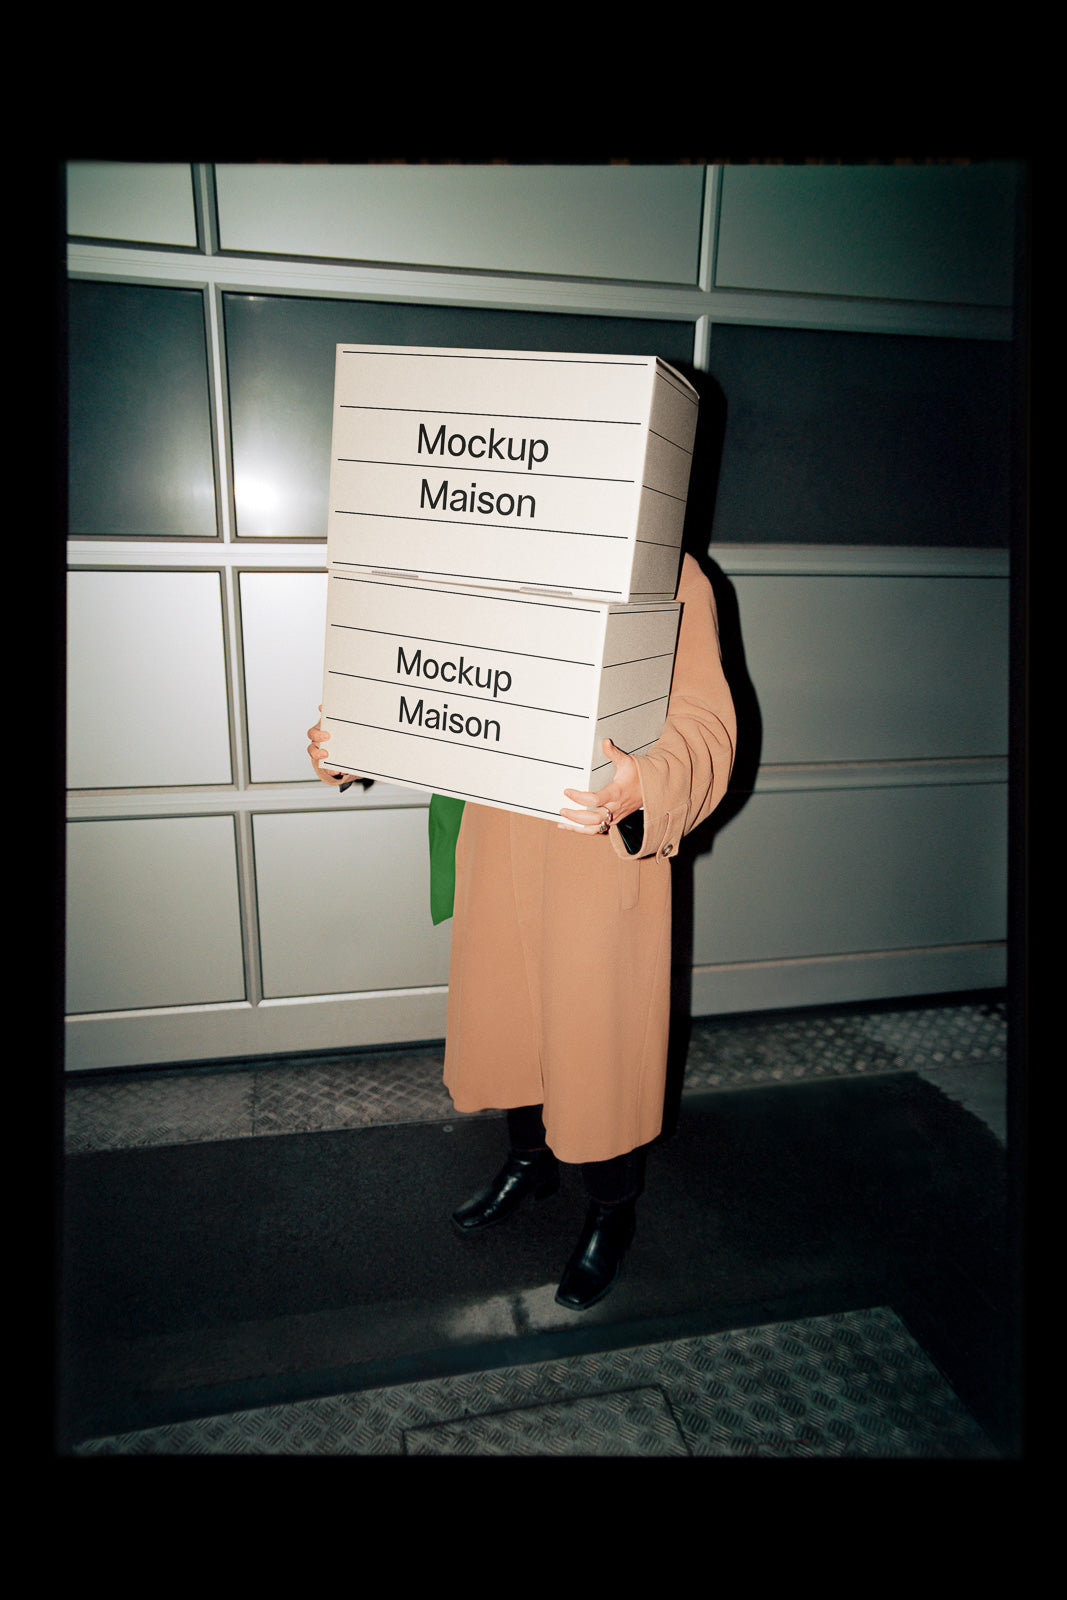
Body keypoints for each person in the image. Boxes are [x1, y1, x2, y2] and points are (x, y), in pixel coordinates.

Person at [307, 552, 736, 1310]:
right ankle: (528, 1160)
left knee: (593, 1040)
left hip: (591, 840)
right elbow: (427, 682)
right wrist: (358, 736)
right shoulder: (476, 553)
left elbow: (704, 719)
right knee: (510, 1018)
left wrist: (652, 779)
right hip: (495, 826)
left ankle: (610, 1207)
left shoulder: (664, 566)